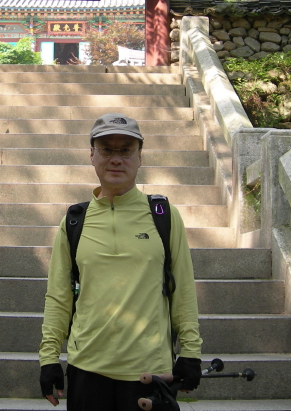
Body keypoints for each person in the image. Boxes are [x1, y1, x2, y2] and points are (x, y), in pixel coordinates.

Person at [39, 112, 203, 409]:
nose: (116, 159)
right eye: (106, 149)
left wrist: (191, 352)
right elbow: (59, 296)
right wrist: (49, 358)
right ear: (92, 155)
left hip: (149, 372)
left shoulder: (164, 216)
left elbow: (183, 290)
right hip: (86, 368)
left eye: (125, 150)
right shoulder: (74, 221)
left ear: (139, 157)